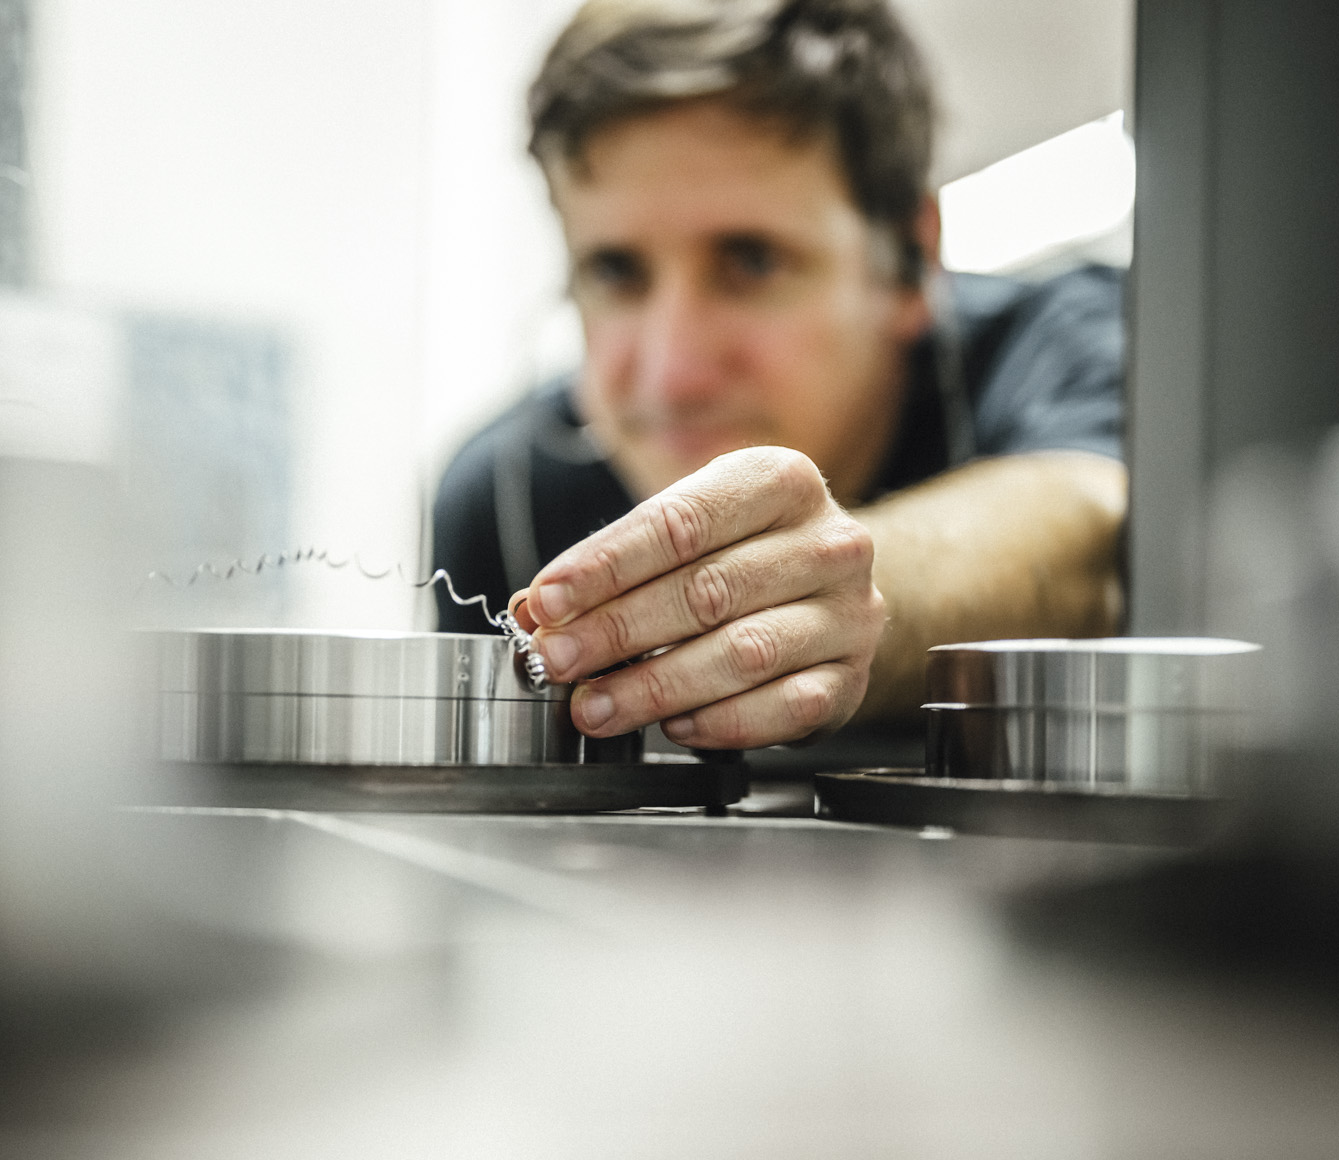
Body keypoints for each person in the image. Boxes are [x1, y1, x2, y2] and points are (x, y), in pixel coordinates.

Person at [432, 0, 1127, 750]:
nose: (672, 373)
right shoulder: (505, 502)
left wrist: (844, 595)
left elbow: (1093, 530)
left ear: (910, 262)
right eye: (615, 271)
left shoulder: (1066, 344)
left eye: (752, 262)